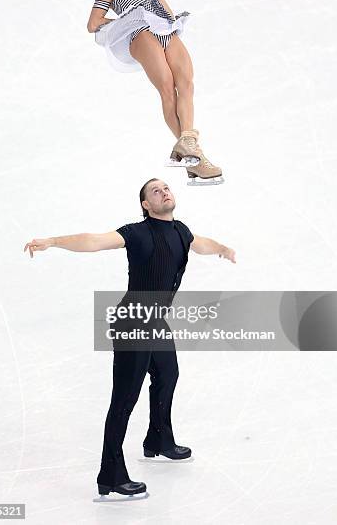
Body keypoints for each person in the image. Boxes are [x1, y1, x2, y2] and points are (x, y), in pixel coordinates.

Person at [23, 178, 236, 497]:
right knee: (124, 398)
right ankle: (110, 473)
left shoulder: (180, 230)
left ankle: (159, 439)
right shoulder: (138, 233)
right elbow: (93, 240)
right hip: (133, 321)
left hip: (155, 319)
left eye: (165, 188)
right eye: (155, 191)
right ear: (146, 206)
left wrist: (220, 248)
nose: (163, 191)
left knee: (168, 373)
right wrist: (52, 240)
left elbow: (199, 243)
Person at [86, 0, 224, 186]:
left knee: (187, 83)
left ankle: (187, 143)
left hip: (165, 30)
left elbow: (169, 16)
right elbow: (93, 24)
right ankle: (198, 160)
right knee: (167, 87)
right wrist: (124, 22)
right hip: (140, 33)